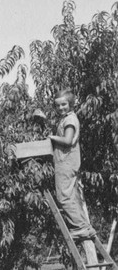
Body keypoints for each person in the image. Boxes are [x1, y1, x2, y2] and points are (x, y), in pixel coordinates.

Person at [49, 88, 96, 239]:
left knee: (63, 196)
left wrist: (52, 137)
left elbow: (67, 141)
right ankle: (85, 227)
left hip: (66, 162)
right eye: (58, 105)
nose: (61, 108)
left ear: (70, 104)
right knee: (72, 196)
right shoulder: (68, 118)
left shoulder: (69, 120)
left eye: (64, 104)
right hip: (68, 161)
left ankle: (80, 228)